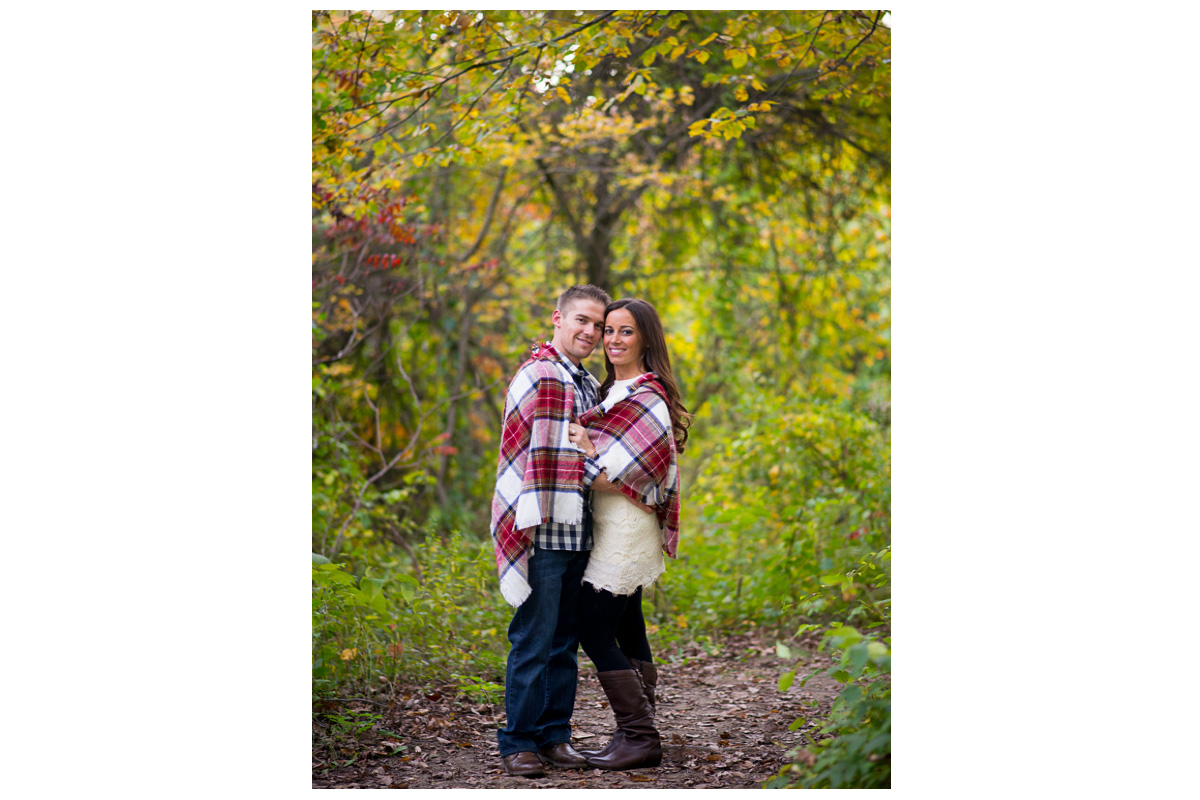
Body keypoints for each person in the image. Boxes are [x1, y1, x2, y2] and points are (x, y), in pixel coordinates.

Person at [489, 284, 626, 778]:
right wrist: (615, 479)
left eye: (598, 325)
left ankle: (554, 737)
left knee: (565, 642)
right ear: (558, 318)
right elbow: (545, 457)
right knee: (533, 638)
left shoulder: (586, 382)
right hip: (544, 528)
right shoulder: (543, 374)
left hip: (580, 532)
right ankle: (518, 741)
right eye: (582, 321)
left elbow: (587, 445)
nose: (590, 332)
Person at [565, 298, 691, 771]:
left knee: (593, 628)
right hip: (607, 522)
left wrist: (583, 446)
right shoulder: (608, 392)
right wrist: (592, 443)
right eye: (609, 331)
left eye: (626, 332)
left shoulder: (647, 395)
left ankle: (640, 735)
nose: (614, 340)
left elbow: (627, 472)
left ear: (646, 339)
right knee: (626, 624)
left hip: (627, 526)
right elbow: (607, 459)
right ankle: (636, 734)